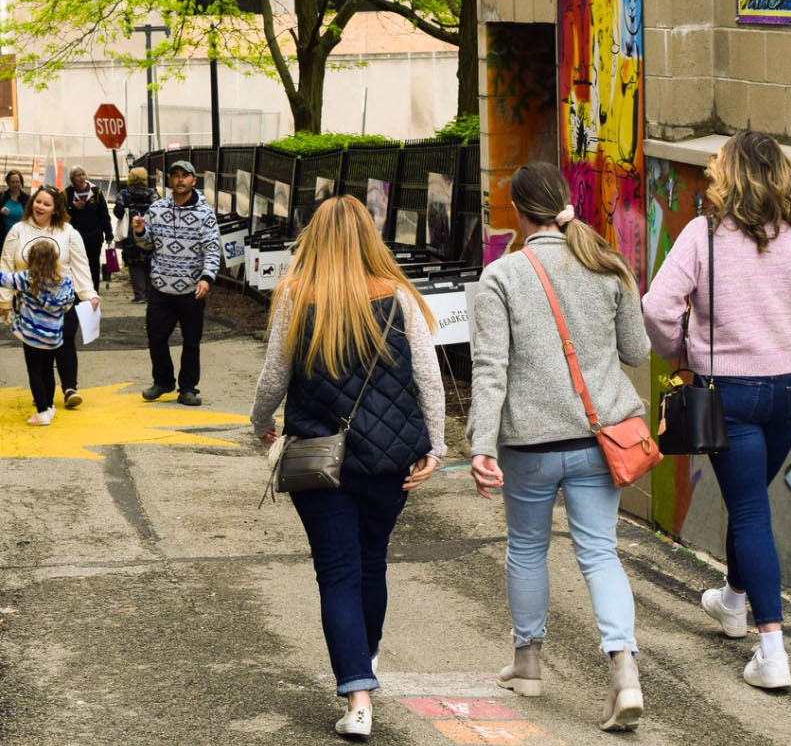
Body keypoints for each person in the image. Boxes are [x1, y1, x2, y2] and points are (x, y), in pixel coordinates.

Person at [641, 131, 791, 691]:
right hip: (790, 394)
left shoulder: (703, 235)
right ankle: (732, 602)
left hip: (728, 394)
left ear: (728, 176)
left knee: (749, 509)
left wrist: (675, 349)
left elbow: (656, 307)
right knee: (747, 497)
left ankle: (772, 650)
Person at [250, 195, 444, 740]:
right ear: (369, 237)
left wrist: (260, 422)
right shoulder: (399, 295)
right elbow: (428, 378)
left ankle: (358, 697)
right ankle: (367, 655)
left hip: (320, 459)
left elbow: (274, 377)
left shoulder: (295, 296)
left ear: (313, 237)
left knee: (336, 571)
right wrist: (436, 447)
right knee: (371, 561)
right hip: (389, 458)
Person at [466, 162, 648, 731]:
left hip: (529, 445)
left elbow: (490, 369)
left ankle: (527, 664)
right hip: (600, 440)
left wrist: (482, 444)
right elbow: (637, 351)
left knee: (526, 548)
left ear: (518, 211)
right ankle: (624, 670)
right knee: (600, 553)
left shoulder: (501, 276)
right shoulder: (608, 265)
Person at [0, 240, 96, 426]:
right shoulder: (66, 281)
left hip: (32, 336)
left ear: (31, 260)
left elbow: (0, 278)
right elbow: (69, 304)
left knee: (35, 372)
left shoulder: (27, 279)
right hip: (54, 336)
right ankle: (49, 406)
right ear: (55, 259)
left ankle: (42, 411)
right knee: (48, 371)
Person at [0, 185, 100, 408]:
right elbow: (6, 266)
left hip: (62, 302)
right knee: (37, 352)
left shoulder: (68, 232)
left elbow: (80, 266)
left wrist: (89, 295)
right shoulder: (18, 230)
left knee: (64, 342)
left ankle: (70, 388)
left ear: (55, 209)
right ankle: (43, 398)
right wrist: (4, 300)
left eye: (46, 204)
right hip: (28, 305)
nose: (40, 207)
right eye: (38, 202)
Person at [135, 160, 221, 406]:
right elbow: (147, 244)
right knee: (155, 336)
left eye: (185, 175)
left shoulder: (205, 214)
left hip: (192, 288)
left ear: (194, 180)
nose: (180, 179)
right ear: (170, 180)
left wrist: (206, 278)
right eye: (175, 175)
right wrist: (140, 231)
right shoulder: (157, 208)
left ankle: (188, 388)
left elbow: (212, 249)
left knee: (191, 340)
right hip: (161, 286)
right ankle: (163, 381)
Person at [65, 166, 115, 291]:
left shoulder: (96, 192)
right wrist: (72, 207)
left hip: (94, 235)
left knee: (93, 264)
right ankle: (79, 290)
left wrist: (108, 234)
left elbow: (104, 214)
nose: (81, 177)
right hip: (75, 237)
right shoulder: (66, 194)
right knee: (77, 264)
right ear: (72, 178)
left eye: (83, 174)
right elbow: (62, 214)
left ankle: (94, 290)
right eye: (78, 175)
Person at [114, 167, 158, 303]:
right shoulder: (151, 193)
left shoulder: (124, 194)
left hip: (130, 232)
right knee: (148, 261)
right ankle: (149, 294)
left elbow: (118, 212)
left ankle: (139, 295)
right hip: (147, 231)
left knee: (134, 264)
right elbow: (158, 211)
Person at [0, 170, 31, 253]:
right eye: (12, 182)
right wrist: (0, 212)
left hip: (21, 238)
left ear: (21, 182)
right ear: (8, 183)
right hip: (4, 238)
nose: (15, 184)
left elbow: (31, 218)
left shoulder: (27, 199)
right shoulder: (1, 197)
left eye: (17, 182)